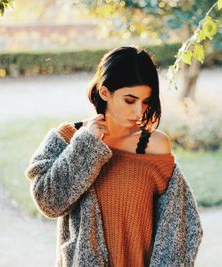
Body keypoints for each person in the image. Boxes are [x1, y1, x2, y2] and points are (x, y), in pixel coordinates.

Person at [25, 46, 203, 267]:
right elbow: (49, 203)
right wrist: (86, 145)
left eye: (145, 102)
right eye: (130, 100)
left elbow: (179, 227)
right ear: (105, 92)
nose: (139, 112)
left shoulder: (154, 145)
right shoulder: (68, 138)